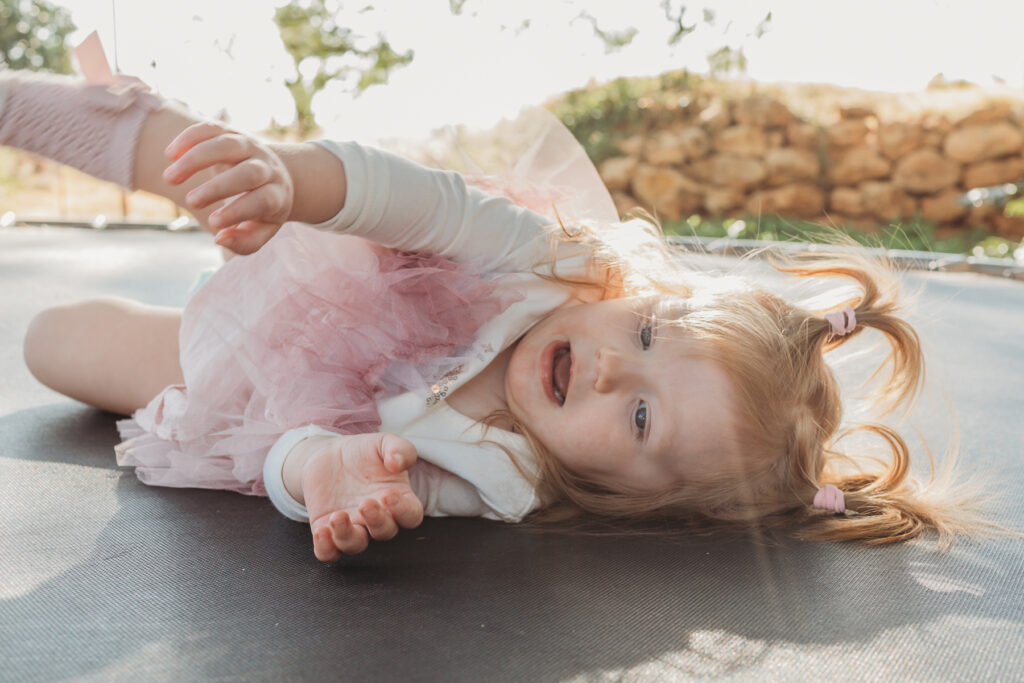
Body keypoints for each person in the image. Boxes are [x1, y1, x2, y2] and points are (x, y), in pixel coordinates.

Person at [1, 44, 980, 563]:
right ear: (637, 294)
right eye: (643, 332)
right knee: (238, 185)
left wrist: (322, 471)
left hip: (260, 393)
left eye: (638, 412)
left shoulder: (508, 482)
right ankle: (157, 142)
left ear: (634, 494)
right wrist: (284, 177)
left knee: (56, 342)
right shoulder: (543, 265)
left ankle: (174, 275)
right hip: (324, 264)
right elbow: (412, 197)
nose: (606, 365)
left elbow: (289, 465)